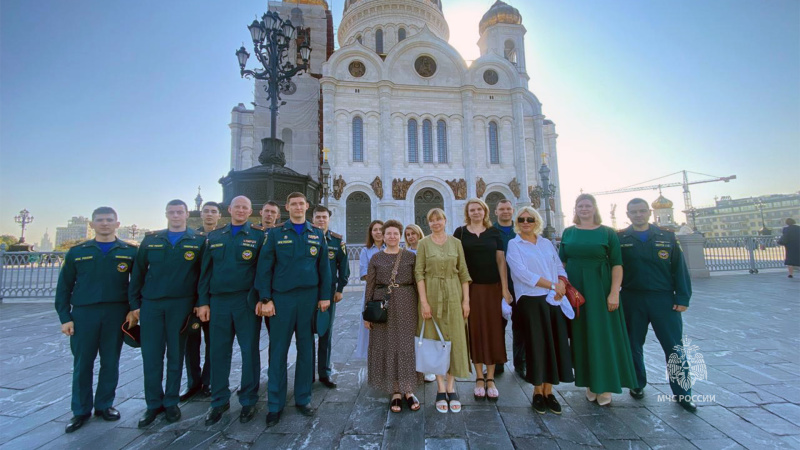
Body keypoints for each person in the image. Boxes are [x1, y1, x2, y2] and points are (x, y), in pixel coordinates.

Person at [55, 207, 137, 433]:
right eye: (99, 220)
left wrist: (133, 310)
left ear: (117, 224)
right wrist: (65, 317)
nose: (104, 224)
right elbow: (64, 288)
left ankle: (105, 405)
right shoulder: (77, 252)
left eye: (109, 220)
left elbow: (136, 285)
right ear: (92, 225)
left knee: (111, 361)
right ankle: (80, 410)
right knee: (83, 363)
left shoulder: (129, 252)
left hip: (116, 313)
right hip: (84, 314)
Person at [128, 199, 207, 427]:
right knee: (151, 356)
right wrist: (135, 305)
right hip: (151, 305)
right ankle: (153, 404)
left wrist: (200, 302)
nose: (175, 215)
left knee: (176, 354)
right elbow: (138, 274)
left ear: (186, 214)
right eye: (171, 212)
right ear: (166, 214)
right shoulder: (151, 240)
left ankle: (171, 401)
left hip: (181, 306)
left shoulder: (198, 241)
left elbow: (203, 276)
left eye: (179, 212)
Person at [256, 192, 331, 428]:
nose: (298, 207)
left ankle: (303, 398)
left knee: (306, 349)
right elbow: (264, 267)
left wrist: (324, 297)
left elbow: (324, 269)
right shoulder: (276, 234)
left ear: (307, 207)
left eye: (302, 204)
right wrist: (265, 298)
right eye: (294, 204)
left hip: (308, 299)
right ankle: (275, 404)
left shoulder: (317, 234)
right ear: (287, 207)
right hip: (282, 299)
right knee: (277, 351)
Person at [618, 198, 696, 412]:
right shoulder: (620, 238)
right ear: (628, 214)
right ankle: (636, 384)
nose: (638, 215)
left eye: (642, 211)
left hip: (664, 299)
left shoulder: (667, 237)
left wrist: (682, 298)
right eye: (634, 212)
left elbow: (679, 269)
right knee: (633, 345)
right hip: (632, 299)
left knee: (674, 348)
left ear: (650, 213)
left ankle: (683, 393)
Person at [559, 194, 637, 406]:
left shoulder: (607, 233)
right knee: (581, 335)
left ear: (594, 209)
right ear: (575, 209)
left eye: (588, 206)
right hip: (576, 292)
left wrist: (614, 292)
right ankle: (589, 383)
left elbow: (617, 265)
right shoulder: (569, 232)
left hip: (599, 289)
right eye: (580, 206)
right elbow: (561, 264)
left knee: (602, 336)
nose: (584, 209)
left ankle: (605, 385)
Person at [196, 196, 265, 425]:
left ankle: (248, 400)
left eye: (245, 207)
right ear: (230, 209)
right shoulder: (214, 237)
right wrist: (203, 302)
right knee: (218, 352)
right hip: (219, 303)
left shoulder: (258, 235)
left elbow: (262, 272)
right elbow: (205, 273)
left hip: (245, 302)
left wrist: (261, 298)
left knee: (249, 352)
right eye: (237, 206)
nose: (241, 210)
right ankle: (219, 400)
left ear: (249, 211)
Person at [506, 207, 573, 415]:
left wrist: (561, 282)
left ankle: (549, 391)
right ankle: (537, 391)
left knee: (554, 342)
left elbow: (559, 266)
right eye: (522, 219)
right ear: (517, 222)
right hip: (531, 300)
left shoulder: (546, 243)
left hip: (553, 300)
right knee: (536, 343)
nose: (526, 222)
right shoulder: (514, 244)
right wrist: (553, 285)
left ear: (537, 221)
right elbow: (522, 274)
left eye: (530, 219)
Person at [454, 199, 512, 401]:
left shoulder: (493, 233)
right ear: (467, 213)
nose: (476, 212)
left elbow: (500, 261)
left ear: (485, 211)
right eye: (472, 210)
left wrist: (504, 289)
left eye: (479, 209)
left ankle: (490, 377)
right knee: (475, 330)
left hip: (492, 288)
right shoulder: (460, 233)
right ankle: (479, 376)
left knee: (494, 330)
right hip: (470, 288)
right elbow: (457, 262)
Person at [416, 208, 472, 413]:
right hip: (431, 293)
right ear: (428, 223)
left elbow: (464, 273)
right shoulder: (423, 244)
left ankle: (451, 385)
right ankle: (440, 387)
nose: (435, 223)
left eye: (438, 219)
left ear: (445, 221)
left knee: (455, 338)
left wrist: (466, 301)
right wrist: (424, 303)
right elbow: (419, 273)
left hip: (454, 293)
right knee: (434, 340)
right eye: (431, 220)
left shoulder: (456, 243)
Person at [364, 220, 422, 412]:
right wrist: (366, 313)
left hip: (407, 303)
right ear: (383, 235)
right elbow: (370, 286)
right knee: (387, 343)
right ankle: (395, 391)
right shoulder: (376, 258)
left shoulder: (410, 257)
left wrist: (423, 305)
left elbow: (417, 282)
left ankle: (408, 389)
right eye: (388, 233)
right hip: (383, 304)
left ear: (401, 236)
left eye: (395, 233)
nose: (391, 237)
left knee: (406, 344)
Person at [181, 201, 221, 401]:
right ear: (201, 214)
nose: (210, 215)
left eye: (213, 212)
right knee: (192, 342)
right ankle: (193, 382)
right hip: (192, 299)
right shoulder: (192, 238)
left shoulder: (222, 237)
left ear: (219, 215)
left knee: (213, 342)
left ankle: (209, 381)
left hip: (213, 299)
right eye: (206, 211)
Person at [311, 205, 350, 388]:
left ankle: (324, 373)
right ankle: (308, 373)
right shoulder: (307, 238)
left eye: (324, 217)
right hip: (308, 291)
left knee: (325, 332)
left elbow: (344, 267)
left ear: (328, 219)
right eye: (318, 217)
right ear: (313, 219)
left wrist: (340, 289)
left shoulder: (336, 241)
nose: (321, 220)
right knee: (306, 333)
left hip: (329, 291)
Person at [494, 199, 525, 377]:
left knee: (520, 324)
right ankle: (498, 361)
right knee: (497, 324)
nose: (505, 212)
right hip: (498, 284)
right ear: (496, 212)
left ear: (513, 211)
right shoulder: (491, 232)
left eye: (508, 209)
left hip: (520, 284)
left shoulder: (522, 230)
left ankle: (520, 364)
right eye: (501, 209)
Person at [404, 223, 436, 382]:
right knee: (413, 332)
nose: (411, 237)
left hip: (427, 293)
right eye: (408, 234)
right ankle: (414, 367)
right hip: (410, 295)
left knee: (428, 330)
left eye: (413, 233)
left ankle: (429, 368)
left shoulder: (427, 249)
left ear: (419, 234)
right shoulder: (404, 253)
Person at [354, 220, 385, 360]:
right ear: (371, 233)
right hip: (372, 291)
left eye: (381, 229)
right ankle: (372, 356)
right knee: (371, 321)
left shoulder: (391, 247)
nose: (378, 232)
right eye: (375, 230)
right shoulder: (366, 250)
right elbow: (365, 273)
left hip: (388, 292)